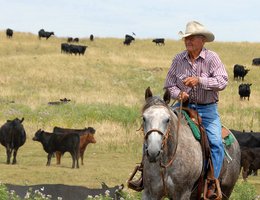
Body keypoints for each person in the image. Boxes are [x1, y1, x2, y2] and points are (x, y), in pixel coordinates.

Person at [164, 21, 228, 199]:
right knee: (158, 131)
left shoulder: (212, 58)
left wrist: (200, 81)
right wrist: (179, 94)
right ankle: (147, 174)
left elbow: (222, 81)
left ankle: (211, 182)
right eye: (186, 38)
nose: (188, 41)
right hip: (182, 106)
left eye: (192, 38)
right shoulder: (178, 59)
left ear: (202, 40)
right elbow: (169, 84)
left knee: (215, 143)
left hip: (207, 109)